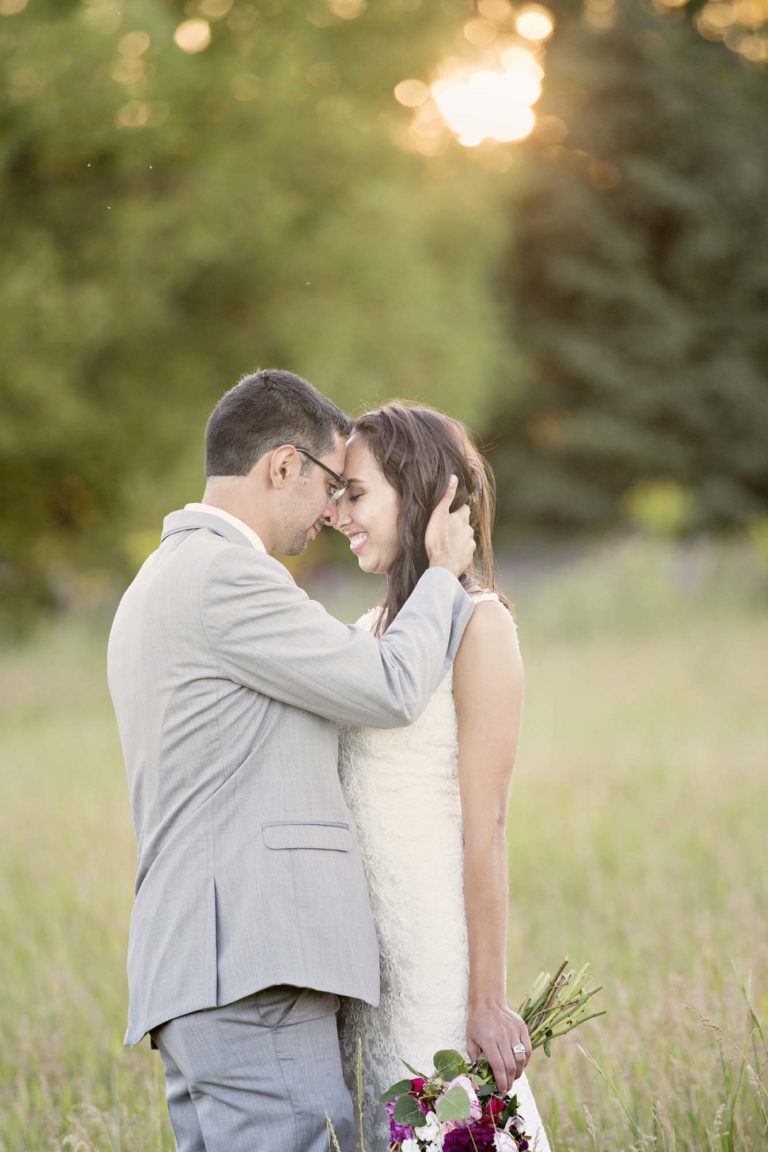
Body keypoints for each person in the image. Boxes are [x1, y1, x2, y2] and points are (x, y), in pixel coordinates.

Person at [107, 370, 478, 1152]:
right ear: (283, 466)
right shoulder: (228, 577)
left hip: (206, 976)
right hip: (252, 970)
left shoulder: (157, 581)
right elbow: (387, 686)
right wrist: (442, 575)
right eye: (331, 485)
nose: (333, 512)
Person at [335, 402, 551, 1151]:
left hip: (434, 965)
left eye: (355, 493)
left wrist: (485, 998)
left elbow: (485, 823)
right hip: (370, 973)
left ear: (418, 490)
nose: (338, 514)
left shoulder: (479, 625)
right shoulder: (365, 636)